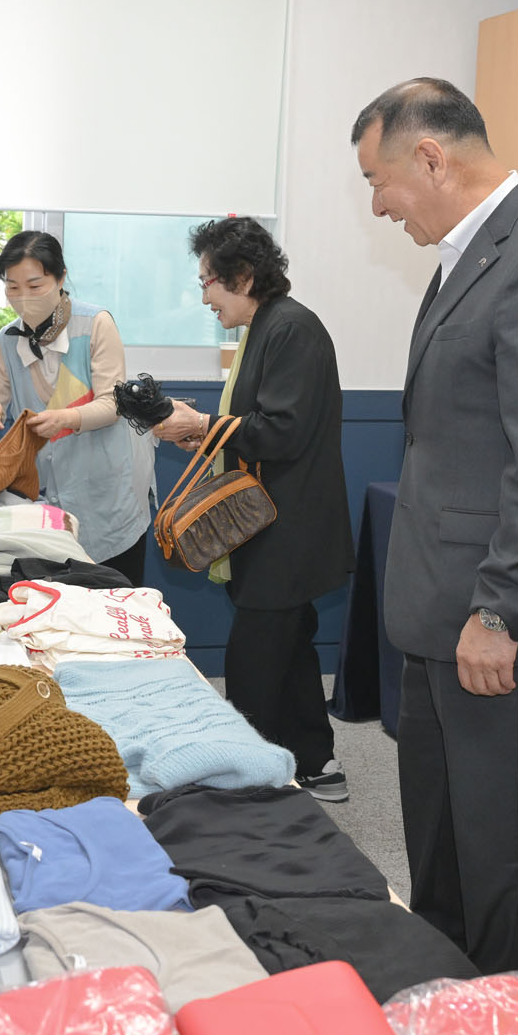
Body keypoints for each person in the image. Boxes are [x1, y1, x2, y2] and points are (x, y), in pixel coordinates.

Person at [351, 77, 518, 974]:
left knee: (498, 848)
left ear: (430, 157)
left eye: (379, 182)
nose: (378, 206)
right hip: (441, 608)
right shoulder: (468, 257)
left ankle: (503, 1015)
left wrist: (500, 609)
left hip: (498, 619)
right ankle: (444, 997)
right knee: (441, 839)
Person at [154, 217, 354, 801]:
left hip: (289, 527)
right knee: (289, 648)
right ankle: (316, 761)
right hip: (274, 520)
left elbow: (282, 432)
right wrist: (204, 434)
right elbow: (257, 426)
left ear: (241, 277)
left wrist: (206, 425)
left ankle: (240, 780)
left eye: (207, 282)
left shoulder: (292, 329)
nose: (204, 298)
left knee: (254, 661)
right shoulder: (268, 327)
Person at [0, 230, 156, 583]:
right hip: (52, 499)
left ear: (60, 278)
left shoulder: (95, 324)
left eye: (35, 285)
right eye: (12, 287)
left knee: (116, 597)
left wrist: (66, 418)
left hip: (109, 491)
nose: (23, 297)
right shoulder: (6, 341)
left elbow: (113, 403)